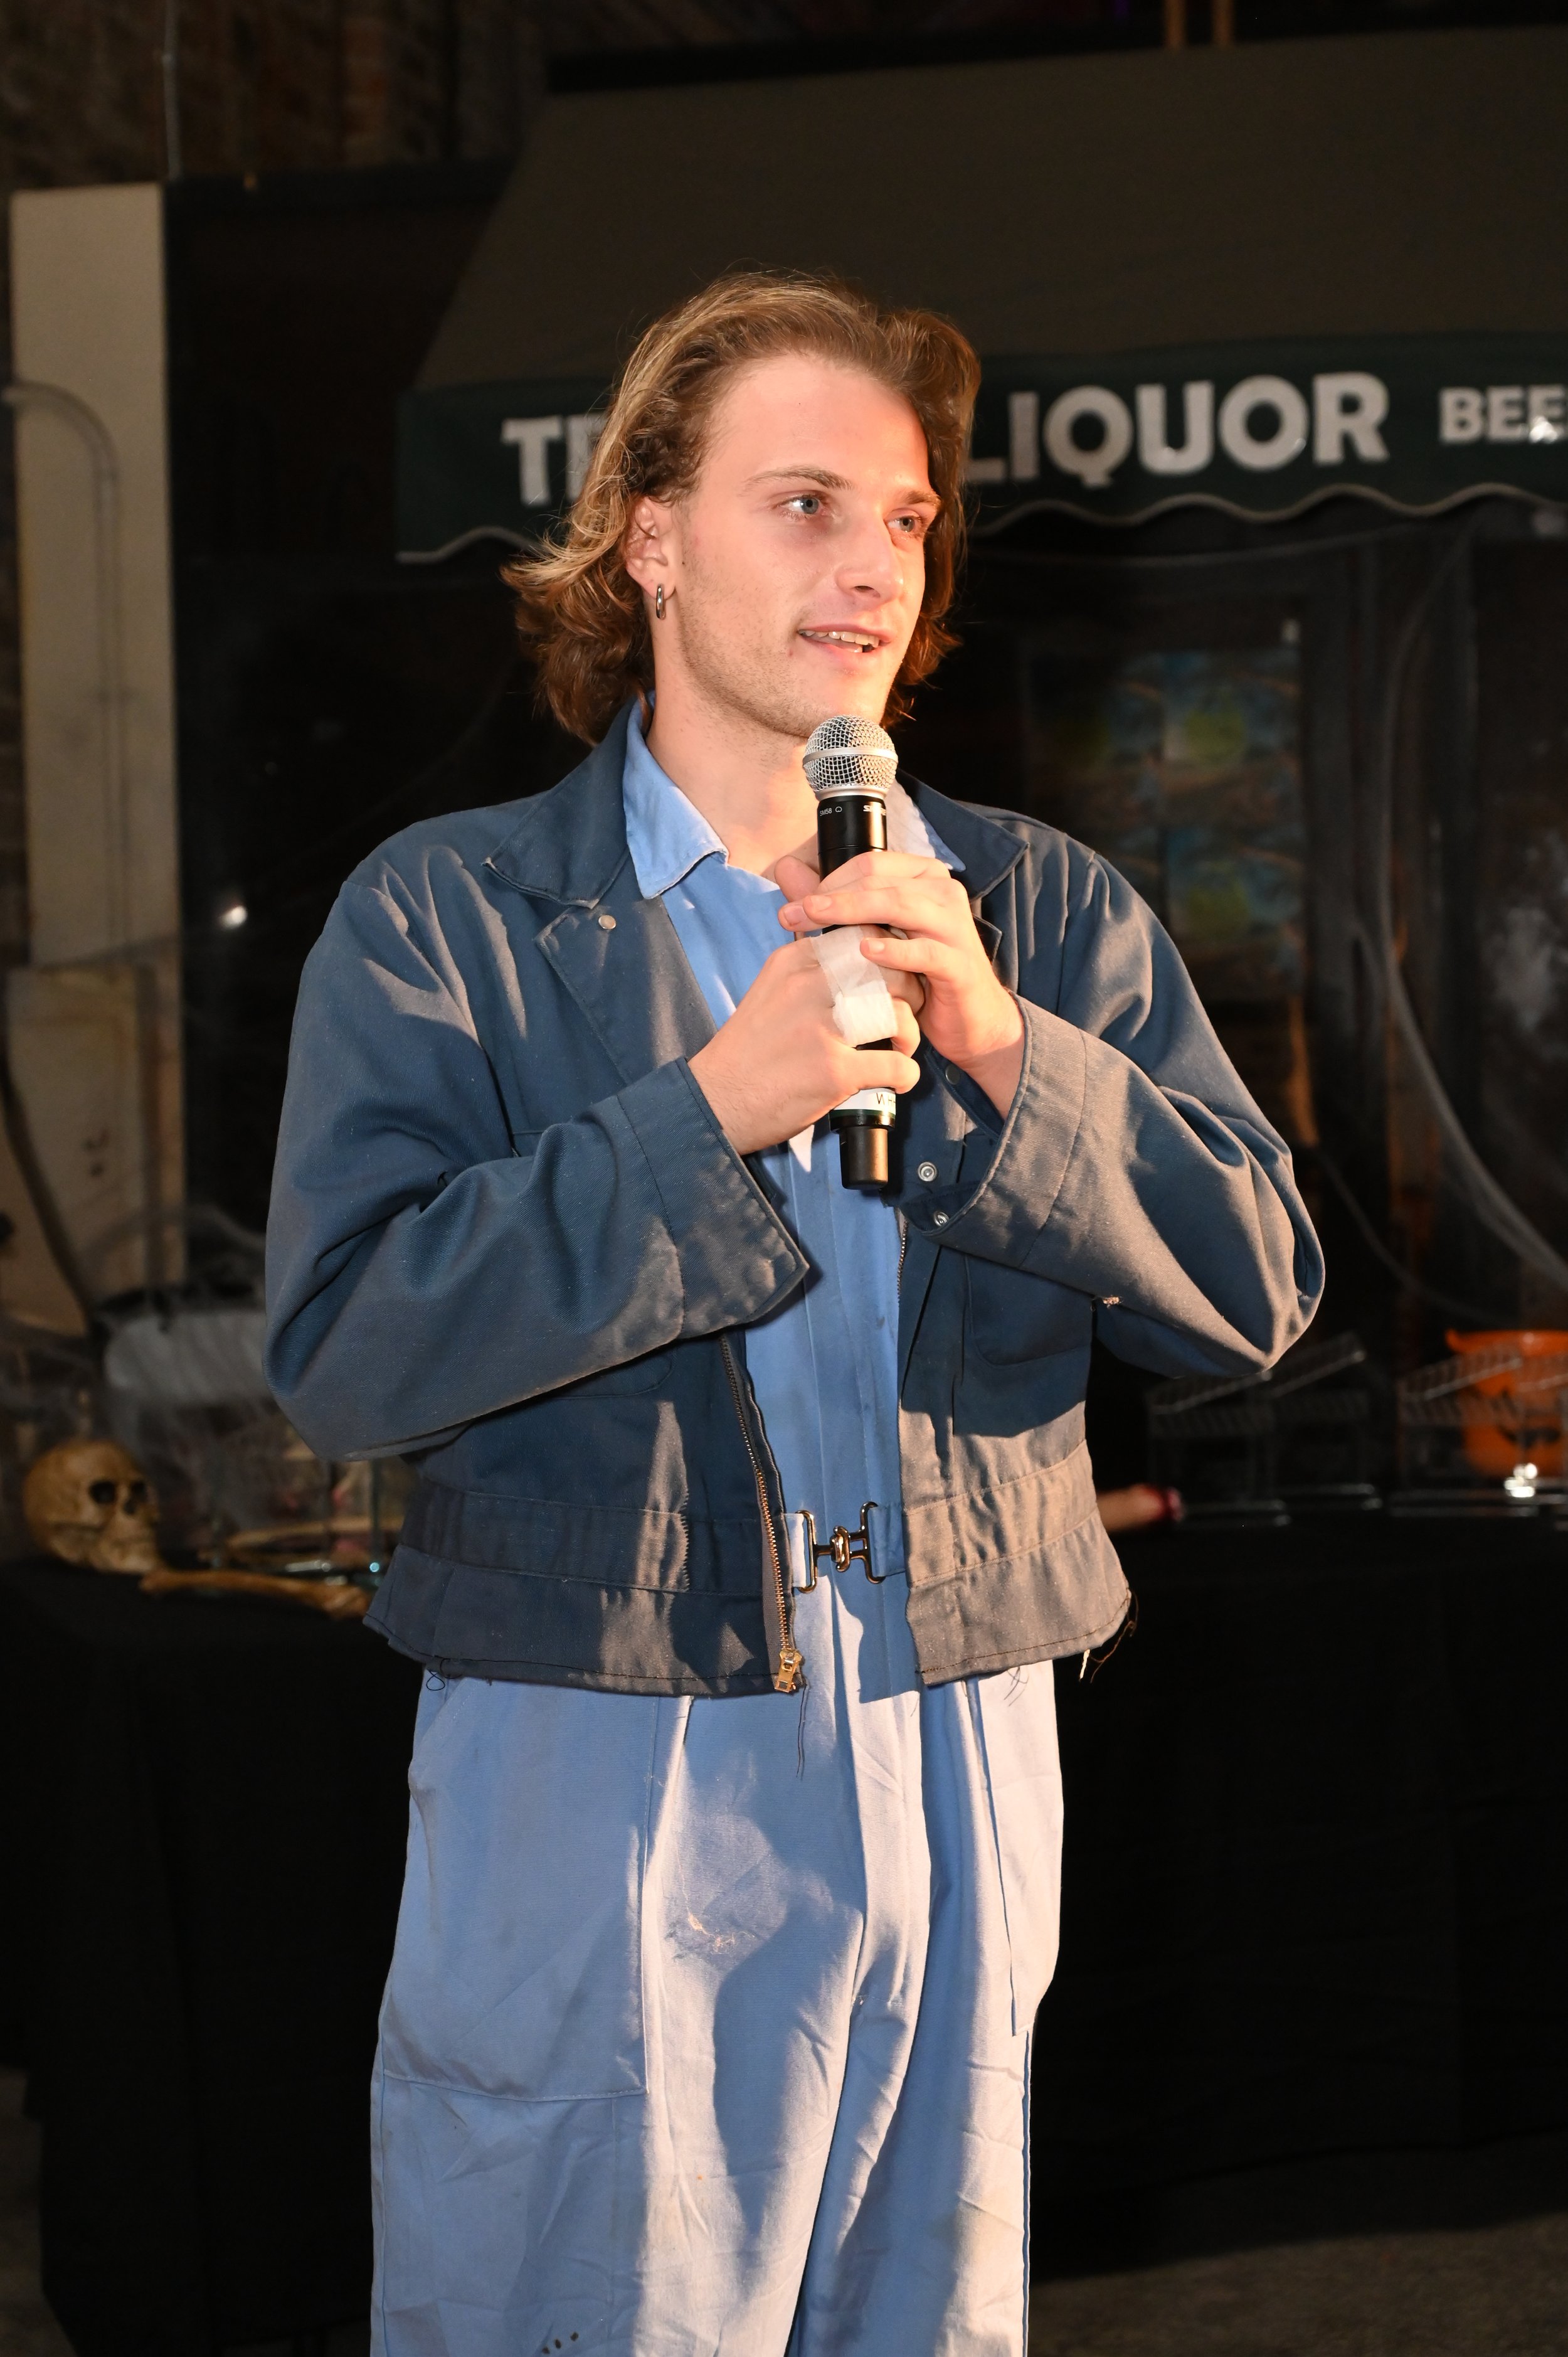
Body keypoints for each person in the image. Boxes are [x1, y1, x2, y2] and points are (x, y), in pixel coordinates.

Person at [265, 270, 1322, 2357]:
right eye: (805, 504)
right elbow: (346, 1349)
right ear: (645, 536)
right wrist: (707, 1118)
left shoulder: (1036, 912)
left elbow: (1259, 1297)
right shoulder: (448, 918)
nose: (869, 571)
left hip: (956, 1732)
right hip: (604, 1735)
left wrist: (1011, 1052)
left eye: (907, 519)